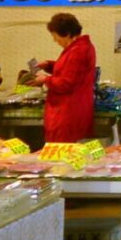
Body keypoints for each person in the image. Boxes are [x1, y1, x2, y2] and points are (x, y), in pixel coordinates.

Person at [31, 12, 98, 143]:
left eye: (55, 36)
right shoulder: (81, 47)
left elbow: (66, 83)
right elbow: (71, 70)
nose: (55, 40)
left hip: (68, 112)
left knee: (63, 153)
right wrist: (49, 65)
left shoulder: (77, 51)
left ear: (67, 33)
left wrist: (45, 79)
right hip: (76, 108)